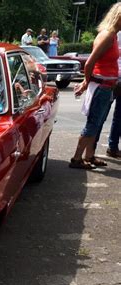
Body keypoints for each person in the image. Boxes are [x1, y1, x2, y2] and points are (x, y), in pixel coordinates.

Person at [70, 3, 121, 169]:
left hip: (106, 86)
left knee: (97, 123)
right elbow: (89, 63)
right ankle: (77, 159)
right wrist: (86, 82)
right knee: (93, 124)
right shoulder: (107, 36)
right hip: (102, 86)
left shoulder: (111, 35)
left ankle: (89, 156)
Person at [106, 30, 121, 158]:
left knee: (118, 116)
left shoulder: (115, 33)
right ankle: (112, 147)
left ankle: (113, 147)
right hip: (113, 78)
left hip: (113, 77)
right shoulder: (113, 34)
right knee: (102, 116)